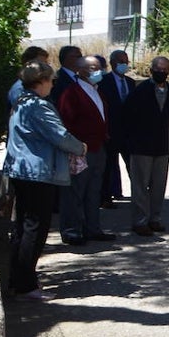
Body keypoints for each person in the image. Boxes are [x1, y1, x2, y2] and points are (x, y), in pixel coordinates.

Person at [3, 61, 87, 299]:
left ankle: (17, 279)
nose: (53, 84)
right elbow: (58, 135)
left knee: (23, 225)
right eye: (51, 80)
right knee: (35, 228)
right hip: (37, 172)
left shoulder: (20, 102)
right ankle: (26, 285)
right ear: (40, 81)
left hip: (22, 170)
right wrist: (80, 147)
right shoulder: (38, 106)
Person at [56, 56, 115, 245]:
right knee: (75, 191)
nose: (98, 71)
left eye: (100, 67)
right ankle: (71, 230)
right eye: (93, 68)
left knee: (93, 191)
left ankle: (92, 228)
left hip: (98, 148)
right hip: (79, 150)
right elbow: (66, 122)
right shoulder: (72, 93)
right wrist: (76, 146)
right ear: (80, 71)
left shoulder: (97, 91)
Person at [121, 57, 169, 236]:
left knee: (158, 186)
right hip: (141, 145)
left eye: (165, 69)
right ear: (151, 70)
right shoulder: (141, 90)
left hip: (162, 145)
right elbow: (128, 115)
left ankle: (155, 218)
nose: (162, 72)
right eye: (158, 69)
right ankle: (140, 221)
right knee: (140, 185)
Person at [98, 48, 135, 208]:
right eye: (121, 62)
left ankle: (140, 195)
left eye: (126, 62)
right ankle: (106, 197)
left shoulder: (131, 82)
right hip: (111, 131)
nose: (124, 65)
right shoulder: (103, 82)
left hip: (128, 132)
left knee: (133, 165)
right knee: (108, 166)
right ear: (113, 63)